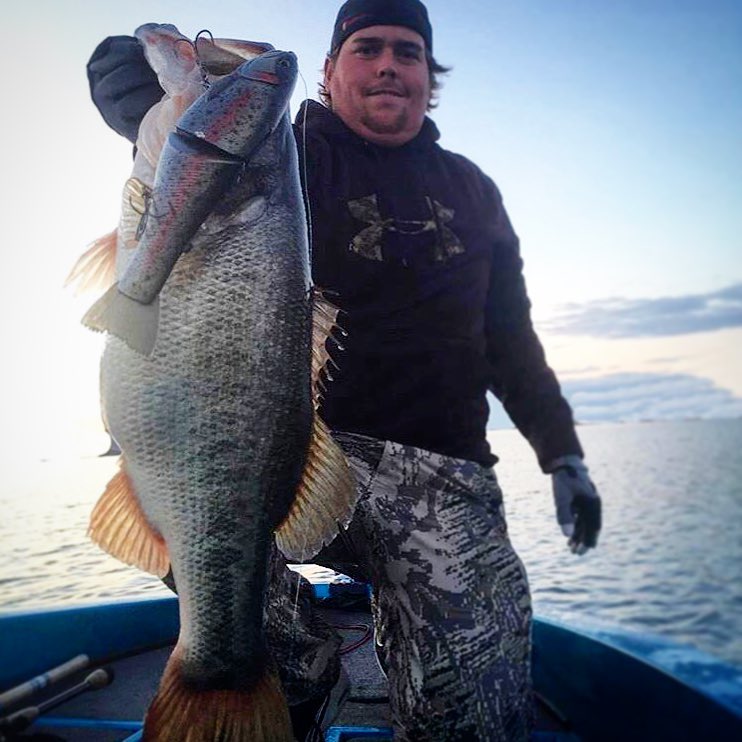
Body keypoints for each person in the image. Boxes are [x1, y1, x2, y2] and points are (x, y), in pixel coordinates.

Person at [86, 1, 602, 739]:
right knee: (199, 520)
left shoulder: (474, 190)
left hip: (445, 476)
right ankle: (289, 668)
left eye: (407, 52)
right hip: (291, 457)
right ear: (328, 72)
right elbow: (185, 166)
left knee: (473, 715)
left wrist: (564, 456)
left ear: (429, 77)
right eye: (367, 48)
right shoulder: (292, 150)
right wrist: (145, 104)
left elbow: (512, 341)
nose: (389, 64)